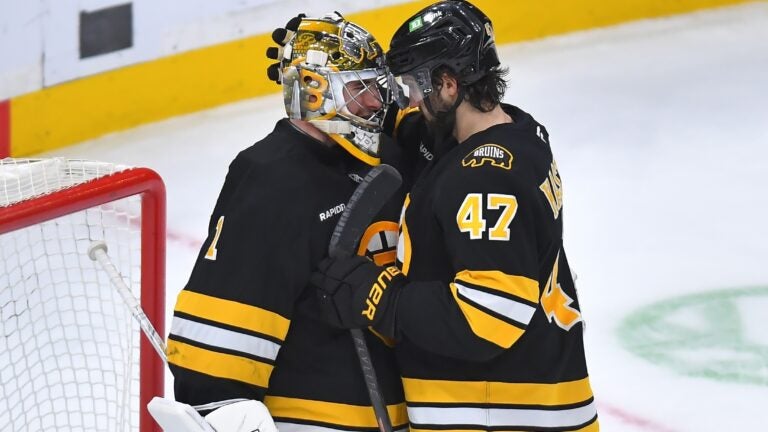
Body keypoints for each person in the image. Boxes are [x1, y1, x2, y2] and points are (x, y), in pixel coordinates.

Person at [311, 1, 600, 431]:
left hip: (502, 414)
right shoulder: (519, 133)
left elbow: (489, 316)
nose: (411, 101)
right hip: (538, 397)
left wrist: (381, 297)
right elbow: (437, 150)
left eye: (414, 86)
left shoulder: (484, 179)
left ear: (448, 85)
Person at [165, 12, 409, 432]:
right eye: (359, 89)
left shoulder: (380, 154)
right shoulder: (273, 180)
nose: (375, 103)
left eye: (376, 89)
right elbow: (215, 358)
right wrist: (218, 411)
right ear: (315, 92)